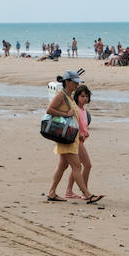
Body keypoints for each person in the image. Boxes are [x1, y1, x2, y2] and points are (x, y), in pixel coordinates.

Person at [44, 70, 100, 203]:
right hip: (65, 138)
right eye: (75, 82)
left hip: (70, 137)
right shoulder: (61, 95)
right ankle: (87, 195)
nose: (76, 85)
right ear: (67, 82)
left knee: (63, 166)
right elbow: (49, 110)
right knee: (77, 166)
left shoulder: (68, 96)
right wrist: (65, 115)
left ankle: (52, 192)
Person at [64, 85, 92, 199]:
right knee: (87, 165)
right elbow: (74, 123)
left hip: (81, 140)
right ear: (77, 96)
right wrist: (80, 133)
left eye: (87, 96)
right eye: (82, 96)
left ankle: (69, 191)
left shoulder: (84, 110)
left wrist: (86, 132)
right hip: (76, 140)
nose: (85, 98)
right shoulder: (75, 107)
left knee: (75, 167)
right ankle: (85, 191)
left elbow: (84, 123)